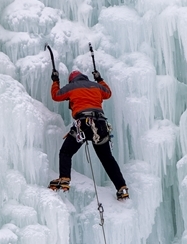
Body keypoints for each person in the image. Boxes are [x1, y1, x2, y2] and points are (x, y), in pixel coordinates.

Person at [49, 68, 129, 200]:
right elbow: (108, 93)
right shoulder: (97, 86)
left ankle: (64, 179)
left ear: (72, 80)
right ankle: (122, 188)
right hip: (101, 125)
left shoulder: (71, 86)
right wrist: (99, 79)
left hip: (84, 124)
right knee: (107, 159)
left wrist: (55, 80)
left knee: (66, 152)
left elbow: (56, 95)